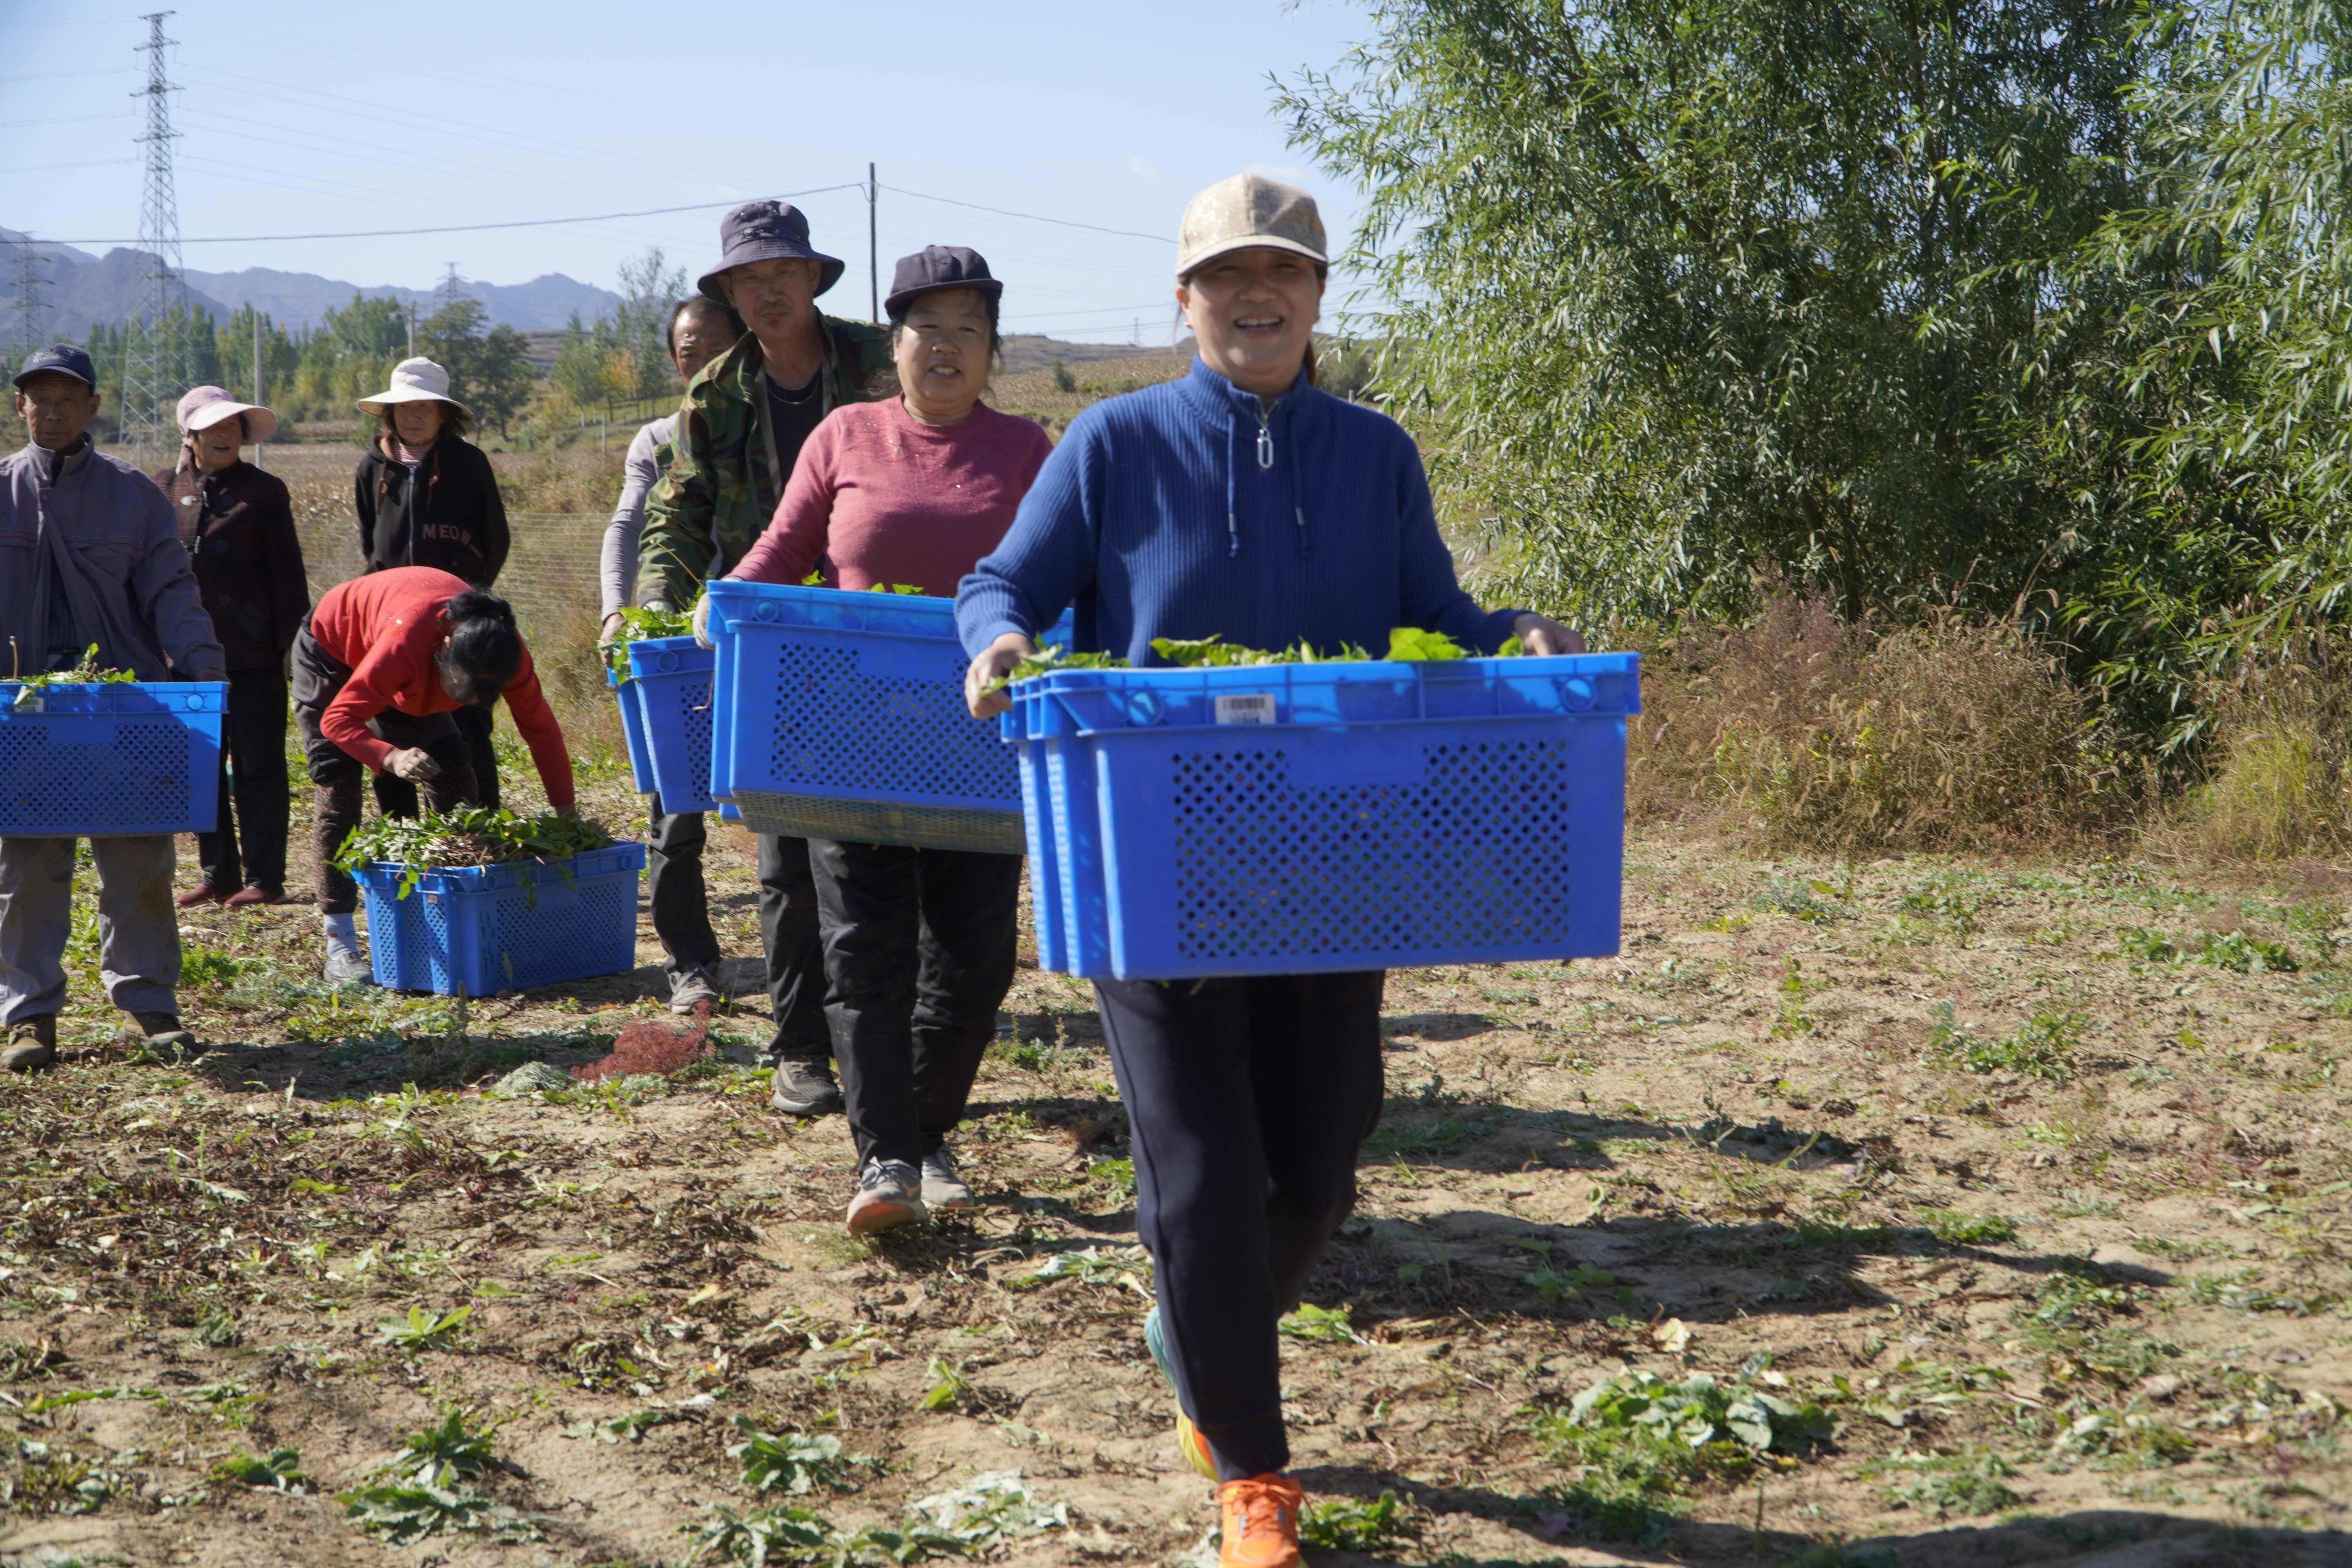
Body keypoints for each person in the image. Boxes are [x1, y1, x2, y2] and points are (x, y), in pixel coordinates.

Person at [956, 176, 1584, 1568]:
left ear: (1315, 295)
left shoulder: (1373, 452)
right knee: (1199, 1165)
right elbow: (1003, 580)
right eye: (1230, 273)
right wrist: (996, 643)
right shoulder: (1116, 442)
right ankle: (1251, 1469)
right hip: (1151, 848)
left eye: (1285, 272)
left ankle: (1198, 1314)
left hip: (1331, 853)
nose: (1259, 293)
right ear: (1184, 298)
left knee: (1320, 1154)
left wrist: (1512, 630)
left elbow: (1437, 609)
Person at [724, 247, 1051, 1233]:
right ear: (893, 344)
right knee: (865, 954)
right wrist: (720, 608)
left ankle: (923, 1128)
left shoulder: (1030, 451)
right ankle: (887, 1160)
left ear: (991, 349)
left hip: (980, 744)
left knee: (974, 960)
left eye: (968, 329)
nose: (945, 347)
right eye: (926, 328)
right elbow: (780, 554)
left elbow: (1066, 577)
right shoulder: (846, 436)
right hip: (850, 738)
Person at [638, 200, 893, 1119]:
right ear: (732, 293)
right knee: (784, 850)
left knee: (886, 846)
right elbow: (679, 511)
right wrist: (654, 605)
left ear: (814, 279)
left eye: (783, 272)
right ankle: (800, 1048)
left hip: (883, 635)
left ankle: (893, 1038)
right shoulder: (716, 393)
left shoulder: (877, 361)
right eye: (751, 278)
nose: (769, 290)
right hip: (775, 645)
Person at [0, 345, 228, 1071]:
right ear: (19, 406)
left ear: (93, 406)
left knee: (137, 854)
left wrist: (202, 664)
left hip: (120, 704)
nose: (54, 409)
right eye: (39, 397)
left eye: (68, 397)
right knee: (26, 862)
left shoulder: (132, 496)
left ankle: (149, 1005)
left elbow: (171, 591)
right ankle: (29, 1016)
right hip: (23, 708)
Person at [295, 566, 576, 984]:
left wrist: (566, 815)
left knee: (457, 784)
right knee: (340, 789)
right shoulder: (406, 644)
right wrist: (389, 757)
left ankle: (457, 925)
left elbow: (542, 731)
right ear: (447, 645)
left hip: (406, 679)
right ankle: (340, 946)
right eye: (459, 682)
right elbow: (339, 720)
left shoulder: (505, 653)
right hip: (333, 653)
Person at [599, 296, 740, 1014]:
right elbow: (627, 523)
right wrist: (617, 612)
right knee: (674, 810)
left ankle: (805, 960)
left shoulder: (762, 428)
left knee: (781, 814)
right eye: (687, 349)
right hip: (679, 647)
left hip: (753, 634)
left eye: (713, 347)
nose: (699, 360)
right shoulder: (655, 439)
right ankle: (692, 963)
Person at [156, 386, 308, 910]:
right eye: (212, 428)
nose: (225, 436)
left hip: (253, 654)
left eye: (233, 427)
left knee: (258, 765)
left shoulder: (265, 492)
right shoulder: (162, 490)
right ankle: (218, 874)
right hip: (184, 656)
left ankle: (266, 877)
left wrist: (289, 650)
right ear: (190, 436)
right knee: (200, 764)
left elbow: (289, 578)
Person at [353, 357, 511, 813]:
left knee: (468, 728)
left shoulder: (468, 464)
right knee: (393, 730)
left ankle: (478, 834)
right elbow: (371, 542)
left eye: (425, 406)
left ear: (445, 414)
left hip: (457, 627)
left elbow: (494, 538)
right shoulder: (372, 468)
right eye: (404, 406)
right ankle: (403, 841)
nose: (414, 415)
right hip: (393, 627)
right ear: (390, 413)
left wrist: (470, 605)